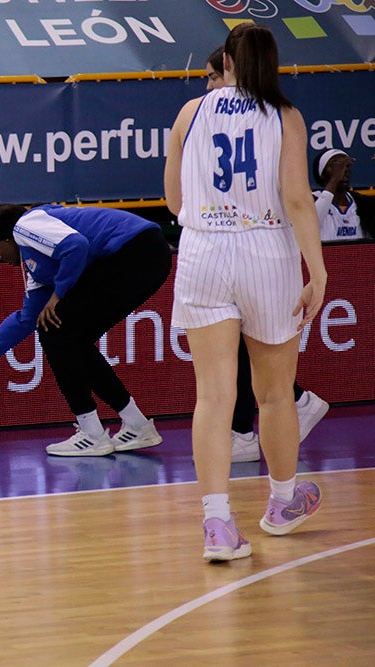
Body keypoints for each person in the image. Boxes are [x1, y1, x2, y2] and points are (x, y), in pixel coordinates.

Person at [165, 24, 326, 561]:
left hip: (203, 249)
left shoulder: (191, 112)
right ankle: (282, 502)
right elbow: (299, 202)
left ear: (226, 63)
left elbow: (171, 198)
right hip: (265, 250)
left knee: (213, 396)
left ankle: (217, 525)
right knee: (275, 393)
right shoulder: (286, 116)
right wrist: (319, 272)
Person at [203, 47, 330, 464]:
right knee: (241, 353)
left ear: (229, 68)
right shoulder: (215, 116)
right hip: (239, 250)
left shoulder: (272, 118)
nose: (208, 86)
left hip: (257, 247)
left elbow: (295, 198)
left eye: (211, 76)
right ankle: (269, 461)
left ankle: (250, 452)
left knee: (241, 373)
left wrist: (318, 270)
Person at [0, 203, 170, 457]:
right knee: (71, 338)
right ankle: (136, 424)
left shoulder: (25, 226)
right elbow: (27, 319)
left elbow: (77, 246)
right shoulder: (37, 265)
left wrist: (58, 294)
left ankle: (92, 433)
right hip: (148, 254)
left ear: (7, 238)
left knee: (56, 332)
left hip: (135, 250)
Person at [312, 148, 372, 242]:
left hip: (359, 256)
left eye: (346, 166)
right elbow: (311, 223)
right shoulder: (313, 199)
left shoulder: (362, 202)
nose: (343, 170)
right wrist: (335, 179)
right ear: (322, 174)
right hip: (325, 255)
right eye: (336, 165)